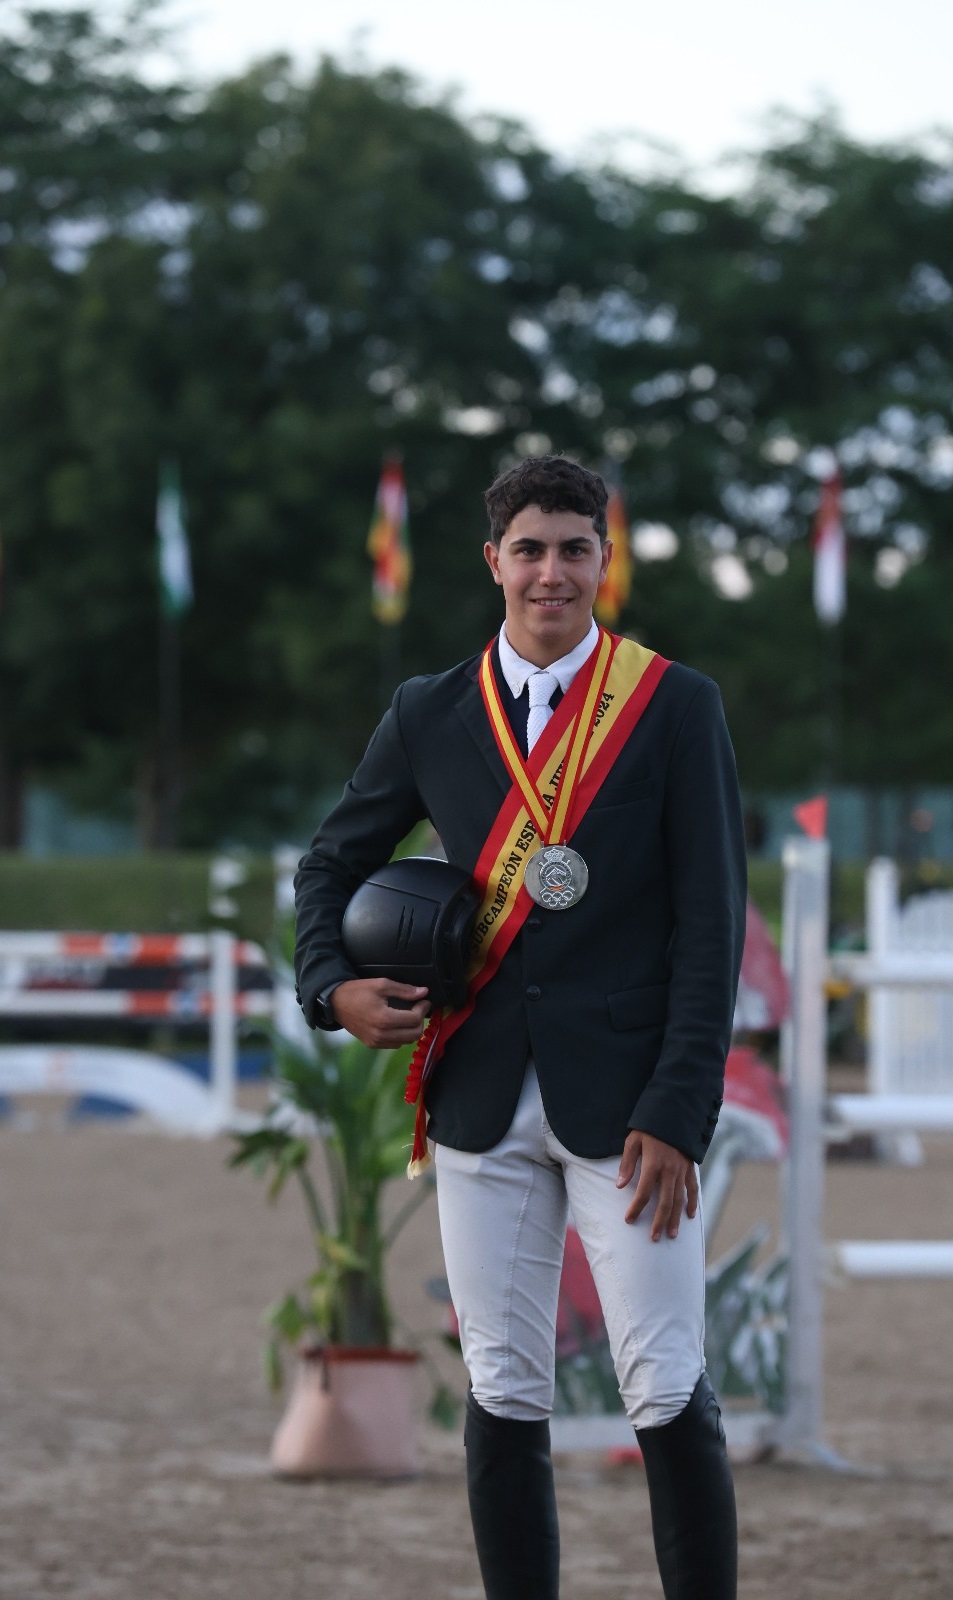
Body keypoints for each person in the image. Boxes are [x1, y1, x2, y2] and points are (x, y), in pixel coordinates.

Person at [294, 455, 747, 1600]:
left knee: (663, 1380)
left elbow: (713, 922)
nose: (553, 572)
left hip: (632, 1109)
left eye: (574, 549)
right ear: (493, 560)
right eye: (531, 550)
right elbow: (330, 864)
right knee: (501, 1385)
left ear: (605, 560)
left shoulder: (673, 705)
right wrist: (332, 988)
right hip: (479, 1093)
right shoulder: (429, 709)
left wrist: (679, 1106)